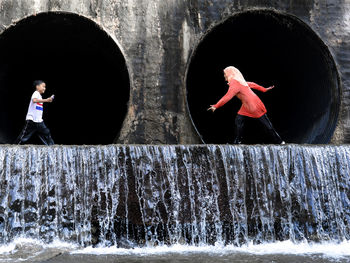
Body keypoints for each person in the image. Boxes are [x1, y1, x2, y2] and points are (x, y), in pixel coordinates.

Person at [208, 66, 285, 144]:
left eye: (225, 74)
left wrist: (216, 106)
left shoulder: (235, 83)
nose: (224, 76)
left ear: (230, 74)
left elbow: (227, 96)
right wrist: (263, 89)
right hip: (246, 105)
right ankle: (237, 141)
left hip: (253, 105)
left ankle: (279, 141)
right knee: (239, 119)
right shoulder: (239, 81)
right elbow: (251, 84)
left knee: (265, 124)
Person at [15, 80, 55, 145]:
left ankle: (52, 148)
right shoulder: (36, 93)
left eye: (45, 87)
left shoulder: (40, 96)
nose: (44, 88)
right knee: (23, 136)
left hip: (39, 121)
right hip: (31, 120)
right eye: (43, 86)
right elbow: (34, 100)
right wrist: (46, 100)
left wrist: (46, 100)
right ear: (37, 87)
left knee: (47, 132)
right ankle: (15, 148)